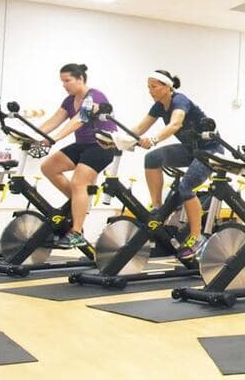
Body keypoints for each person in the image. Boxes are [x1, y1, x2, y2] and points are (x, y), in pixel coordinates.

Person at [129, 71, 216, 259]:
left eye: (154, 86)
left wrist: (153, 139)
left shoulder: (180, 101)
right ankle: (158, 207)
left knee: (186, 187)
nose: (150, 91)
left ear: (168, 86)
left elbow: (175, 124)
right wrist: (120, 139)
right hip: (189, 149)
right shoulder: (159, 106)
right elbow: (139, 128)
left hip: (210, 150)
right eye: (148, 87)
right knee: (152, 158)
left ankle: (197, 236)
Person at [37, 63, 116, 249]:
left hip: (102, 146)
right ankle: (79, 202)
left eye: (67, 80)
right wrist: (35, 135)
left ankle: (77, 232)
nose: (64, 85)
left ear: (80, 79)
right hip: (83, 145)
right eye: (62, 81)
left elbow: (79, 120)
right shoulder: (69, 100)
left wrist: (54, 139)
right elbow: (53, 121)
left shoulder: (95, 96)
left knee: (79, 182)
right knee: (48, 167)